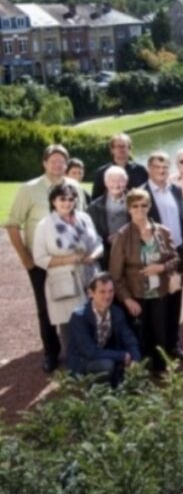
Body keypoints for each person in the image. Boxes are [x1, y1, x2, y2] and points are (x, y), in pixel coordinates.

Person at [6, 144, 86, 371]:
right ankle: (51, 353)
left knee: (77, 302)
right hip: (42, 262)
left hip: (73, 261)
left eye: (62, 161)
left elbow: (82, 218)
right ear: (44, 163)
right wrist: (26, 259)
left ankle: (79, 348)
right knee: (46, 308)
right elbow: (12, 225)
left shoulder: (74, 187)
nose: (58, 164)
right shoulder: (29, 189)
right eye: (53, 161)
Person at [109, 188, 181, 372]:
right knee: (139, 335)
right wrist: (127, 299)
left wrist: (162, 267)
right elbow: (115, 275)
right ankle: (139, 372)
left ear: (149, 206)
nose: (140, 209)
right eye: (135, 206)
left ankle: (160, 368)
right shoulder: (123, 235)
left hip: (159, 292)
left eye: (144, 205)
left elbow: (175, 258)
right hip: (136, 294)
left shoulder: (162, 232)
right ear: (129, 208)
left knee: (160, 333)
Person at [32, 182, 104, 359]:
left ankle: (97, 363)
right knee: (70, 326)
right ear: (53, 201)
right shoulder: (45, 225)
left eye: (71, 199)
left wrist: (93, 255)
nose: (67, 203)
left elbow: (98, 242)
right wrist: (69, 259)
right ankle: (75, 367)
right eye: (62, 199)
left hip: (90, 276)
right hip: (65, 281)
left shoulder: (84, 218)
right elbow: (39, 258)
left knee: (95, 321)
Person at [142, 152, 183, 339]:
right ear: (149, 169)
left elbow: (182, 218)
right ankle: (158, 349)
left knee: (175, 296)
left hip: (176, 252)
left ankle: (172, 343)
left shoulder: (175, 190)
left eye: (164, 167)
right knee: (158, 301)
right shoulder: (141, 193)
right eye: (156, 167)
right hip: (155, 254)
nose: (161, 171)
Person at [67, 272, 141, 387]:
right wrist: (122, 356)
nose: (107, 296)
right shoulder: (79, 317)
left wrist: (135, 359)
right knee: (108, 365)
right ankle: (95, 391)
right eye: (102, 291)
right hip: (83, 362)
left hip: (105, 354)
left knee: (129, 363)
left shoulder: (116, 312)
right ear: (90, 293)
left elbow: (129, 338)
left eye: (111, 291)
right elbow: (90, 352)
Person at [87, 165, 129, 270]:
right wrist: (106, 239)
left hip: (131, 252)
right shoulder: (94, 207)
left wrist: (122, 237)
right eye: (112, 181)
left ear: (126, 182)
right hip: (106, 255)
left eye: (120, 181)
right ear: (105, 183)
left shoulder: (135, 201)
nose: (116, 184)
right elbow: (91, 233)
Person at [91, 133, 148, 199]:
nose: (121, 149)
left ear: (130, 149)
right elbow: (95, 199)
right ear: (112, 150)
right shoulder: (102, 173)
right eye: (118, 146)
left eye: (124, 146)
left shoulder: (140, 170)